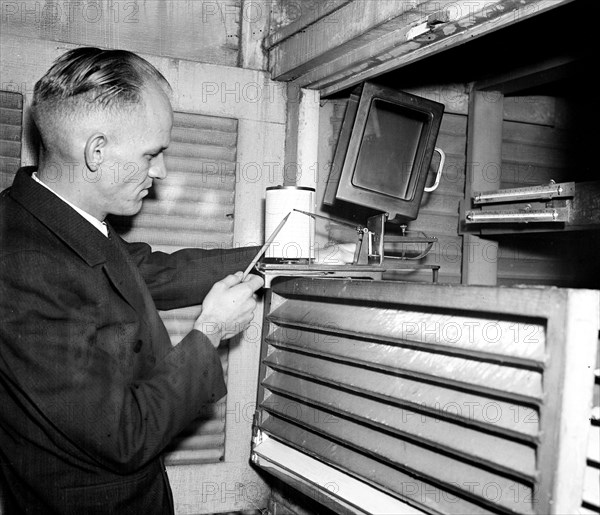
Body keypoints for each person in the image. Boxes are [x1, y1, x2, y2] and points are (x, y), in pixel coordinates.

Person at [0, 47, 264, 514]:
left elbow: (148, 271)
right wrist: (212, 331)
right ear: (97, 151)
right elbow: (124, 436)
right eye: (153, 153)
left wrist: (284, 255)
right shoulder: (23, 263)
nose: (160, 172)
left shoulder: (53, 218)